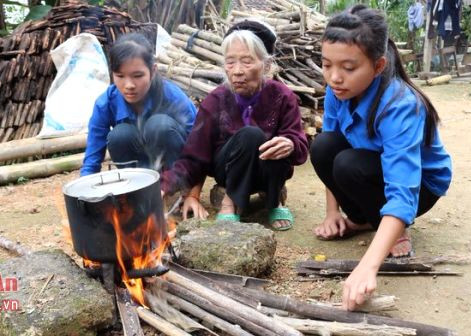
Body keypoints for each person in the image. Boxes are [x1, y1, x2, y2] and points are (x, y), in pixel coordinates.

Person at [310, 5, 452, 311]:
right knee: (323, 146)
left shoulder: (400, 105)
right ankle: (363, 220)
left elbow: (404, 189)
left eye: (348, 68)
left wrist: (367, 266)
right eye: (326, 65)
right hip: (368, 166)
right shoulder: (337, 91)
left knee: (348, 164)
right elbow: (332, 143)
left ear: (377, 66)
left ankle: (394, 229)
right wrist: (331, 211)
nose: (334, 77)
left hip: (421, 186)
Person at [161, 20, 308, 231]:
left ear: (266, 65)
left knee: (275, 145)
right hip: (228, 171)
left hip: (268, 172)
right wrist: (164, 186)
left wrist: (290, 143)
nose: (237, 71)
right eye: (230, 62)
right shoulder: (216, 100)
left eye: (247, 61)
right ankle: (230, 201)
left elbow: (299, 143)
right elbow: (194, 156)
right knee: (250, 135)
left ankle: (273, 202)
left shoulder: (283, 96)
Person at [80, 33, 197, 176]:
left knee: (158, 126)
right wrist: (83, 191)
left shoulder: (172, 97)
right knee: (119, 135)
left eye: (137, 76)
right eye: (120, 76)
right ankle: (138, 186)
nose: (129, 85)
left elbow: (198, 143)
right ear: (112, 73)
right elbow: (92, 158)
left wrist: (192, 191)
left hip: (176, 170)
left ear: (153, 71)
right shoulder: (106, 103)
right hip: (140, 170)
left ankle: (172, 186)